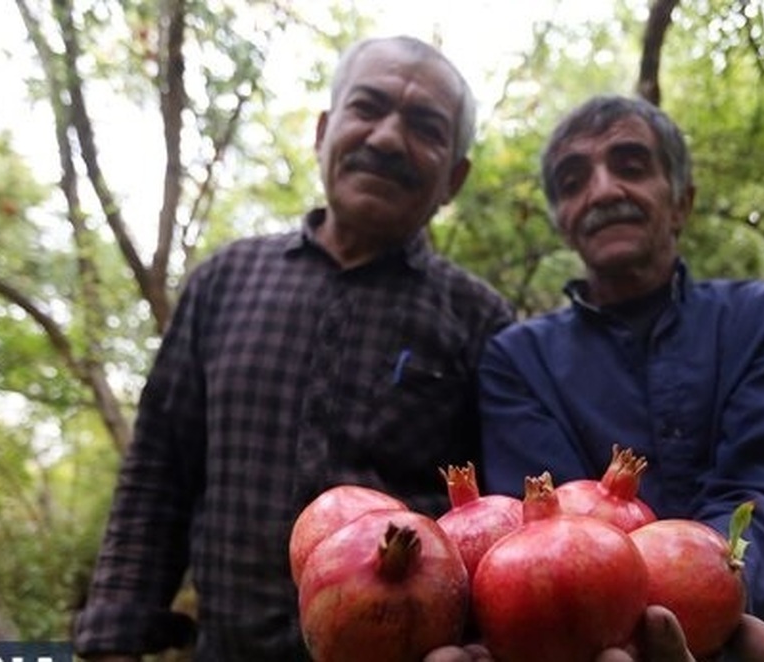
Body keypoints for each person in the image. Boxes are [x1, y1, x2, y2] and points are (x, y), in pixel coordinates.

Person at [72, 35, 515, 661]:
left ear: (455, 177)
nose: (388, 139)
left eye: (425, 127)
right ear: (323, 130)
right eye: (368, 108)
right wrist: (113, 638)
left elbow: (494, 524)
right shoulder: (225, 281)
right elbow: (158, 471)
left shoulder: (482, 319)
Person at [476, 94, 764, 661]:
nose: (604, 190)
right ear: (562, 221)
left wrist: (697, 601)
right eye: (573, 179)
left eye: (631, 166)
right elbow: (550, 533)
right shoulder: (517, 360)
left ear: (682, 201)